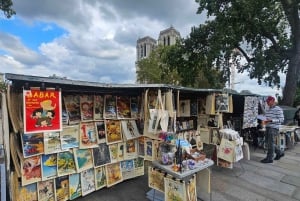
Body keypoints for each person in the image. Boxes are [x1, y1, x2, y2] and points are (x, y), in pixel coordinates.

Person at [261, 96, 285, 163]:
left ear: (273, 101)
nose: (267, 103)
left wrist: (271, 120)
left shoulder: (278, 109)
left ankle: (269, 158)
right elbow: (267, 118)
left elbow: (282, 119)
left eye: (269, 101)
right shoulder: (268, 109)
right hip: (268, 127)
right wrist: (264, 120)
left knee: (270, 143)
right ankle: (280, 152)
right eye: (267, 101)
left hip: (274, 128)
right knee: (269, 143)